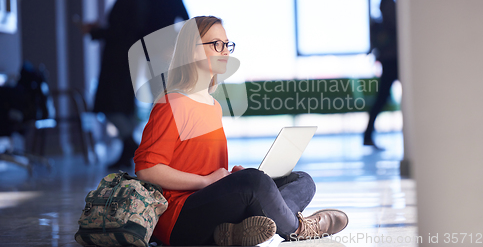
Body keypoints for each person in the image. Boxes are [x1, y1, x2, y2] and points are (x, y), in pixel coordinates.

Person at [134, 16, 348, 246]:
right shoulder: (173, 103)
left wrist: (230, 176)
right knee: (254, 182)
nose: (226, 51)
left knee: (302, 180)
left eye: (228, 45)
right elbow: (147, 170)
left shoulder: (212, 106)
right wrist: (207, 182)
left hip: (212, 206)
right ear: (192, 51)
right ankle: (300, 228)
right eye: (217, 44)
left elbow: (202, 165)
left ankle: (234, 232)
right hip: (180, 219)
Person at [80, 0, 146, 168]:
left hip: (119, 63)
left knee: (113, 106)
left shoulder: (127, 0)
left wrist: (95, 32)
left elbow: (120, 32)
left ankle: (132, 146)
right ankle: (130, 147)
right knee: (121, 107)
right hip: (127, 61)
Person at [364, 0, 399, 150]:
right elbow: (396, 28)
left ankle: (368, 134)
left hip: (389, 57)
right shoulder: (389, 5)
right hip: (392, 58)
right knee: (382, 96)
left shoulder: (385, 4)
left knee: (382, 96)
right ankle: (368, 134)